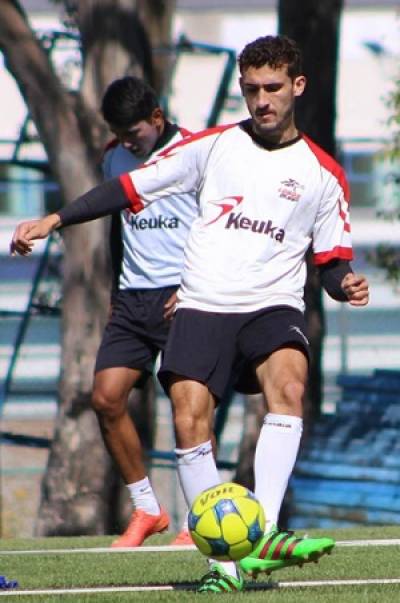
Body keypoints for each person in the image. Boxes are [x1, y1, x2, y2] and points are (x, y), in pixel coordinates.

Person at [11, 35, 370, 592]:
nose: (261, 101)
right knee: (187, 419)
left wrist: (343, 283)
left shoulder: (324, 174)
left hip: (272, 304)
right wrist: (53, 219)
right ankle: (224, 567)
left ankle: (267, 531)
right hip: (203, 303)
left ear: (297, 87)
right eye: (251, 90)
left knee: (291, 386)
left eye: (272, 88)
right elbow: (128, 187)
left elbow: (329, 261)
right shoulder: (211, 147)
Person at [14, 76, 199, 548]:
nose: (129, 141)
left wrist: (198, 283)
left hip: (185, 296)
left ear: (157, 119)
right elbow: (119, 223)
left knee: (188, 409)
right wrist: (118, 285)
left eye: (135, 131)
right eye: (120, 132)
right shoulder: (114, 156)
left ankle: (197, 518)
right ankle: (147, 509)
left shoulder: (196, 154)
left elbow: (218, 226)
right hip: (133, 298)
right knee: (106, 397)